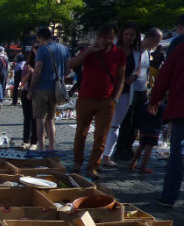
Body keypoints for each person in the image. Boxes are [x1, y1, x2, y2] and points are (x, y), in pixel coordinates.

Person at [67, 22, 126, 179]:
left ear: (114, 38)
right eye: (104, 37)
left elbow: (121, 78)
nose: (107, 41)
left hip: (107, 101)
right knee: (81, 132)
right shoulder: (89, 51)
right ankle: (77, 162)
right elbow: (72, 64)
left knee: (101, 136)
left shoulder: (119, 54)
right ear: (98, 37)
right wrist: (90, 50)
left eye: (110, 38)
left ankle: (93, 166)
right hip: (85, 98)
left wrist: (116, 98)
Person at [112, 28, 163, 163]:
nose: (157, 44)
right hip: (131, 89)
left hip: (141, 90)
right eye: (156, 41)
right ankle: (120, 148)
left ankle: (128, 147)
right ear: (150, 38)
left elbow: (144, 71)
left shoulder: (147, 52)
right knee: (127, 121)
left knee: (137, 122)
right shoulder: (136, 49)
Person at [101, 22, 141, 167]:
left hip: (125, 92)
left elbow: (138, 69)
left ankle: (106, 155)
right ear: (121, 35)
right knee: (104, 124)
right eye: (127, 34)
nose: (129, 37)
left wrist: (134, 76)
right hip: (109, 91)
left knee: (115, 125)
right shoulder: (113, 49)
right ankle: (98, 154)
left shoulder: (137, 53)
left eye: (132, 35)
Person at [27, 27, 70, 152]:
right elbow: (69, 69)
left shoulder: (42, 50)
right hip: (56, 89)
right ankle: (52, 146)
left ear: (41, 38)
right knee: (51, 119)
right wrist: (60, 77)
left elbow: (37, 71)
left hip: (42, 88)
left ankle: (42, 147)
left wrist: (31, 90)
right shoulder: (64, 48)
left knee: (40, 118)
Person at [152, 43, 184, 206]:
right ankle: (169, 195)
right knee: (177, 153)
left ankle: (169, 196)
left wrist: (155, 99)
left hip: (181, 108)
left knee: (177, 153)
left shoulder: (180, 48)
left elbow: (164, 76)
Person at [20, 48, 38, 147]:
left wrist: (35, 72)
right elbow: (22, 82)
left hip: (38, 93)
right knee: (27, 118)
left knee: (35, 118)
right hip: (26, 92)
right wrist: (30, 73)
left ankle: (34, 142)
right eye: (35, 48)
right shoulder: (27, 65)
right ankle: (26, 140)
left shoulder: (43, 63)